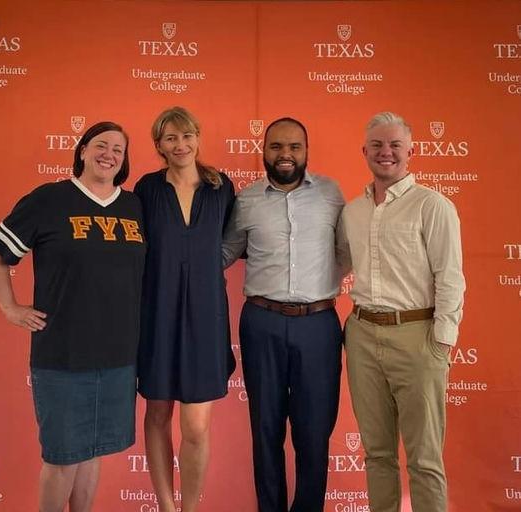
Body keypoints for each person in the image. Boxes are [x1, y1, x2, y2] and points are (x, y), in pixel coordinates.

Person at [0, 121, 145, 512]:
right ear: (83, 150)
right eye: (100, 145)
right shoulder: (50, 199)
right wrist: (9, 307)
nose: (109, 154)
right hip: (63, 354)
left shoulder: (133, 206)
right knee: (61, 459)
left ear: (124, 161)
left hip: (119, 356)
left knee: (92, 454)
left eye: (118, 150)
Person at [341, 111, 466, 512]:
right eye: (377, 145)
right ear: (364, 152)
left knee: (425, 459)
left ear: (412, 151)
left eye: (395, 145)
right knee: (377, 455)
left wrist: (441, 343)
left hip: (418, 336)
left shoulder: (433, 205)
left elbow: (451, 277)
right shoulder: (352, 211)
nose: (386, 152)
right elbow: (337, 264)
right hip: (361, 335)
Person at [222, 117, 347, 512]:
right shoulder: (246, 200)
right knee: (266, 429)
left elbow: (345, 252)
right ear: (264, 151)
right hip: (262, 322)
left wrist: (317, 287)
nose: (285, 155)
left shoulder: (331, 194)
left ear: (306, 151)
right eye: (276, 146)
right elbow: (225, 253)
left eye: (294, 146)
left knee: (314, 432)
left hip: (318, 325)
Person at [133, 106, 235, 512]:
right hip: (156, 314)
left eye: (187, 135)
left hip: (206, 318)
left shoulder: (221, 188)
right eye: (171, 138)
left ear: (198, 137)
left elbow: (231, 245)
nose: (181, 144)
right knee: (157, 412)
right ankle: (166, 506)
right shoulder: (146, 189)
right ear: (158, 144)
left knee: (195, 425)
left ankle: (190, 508)